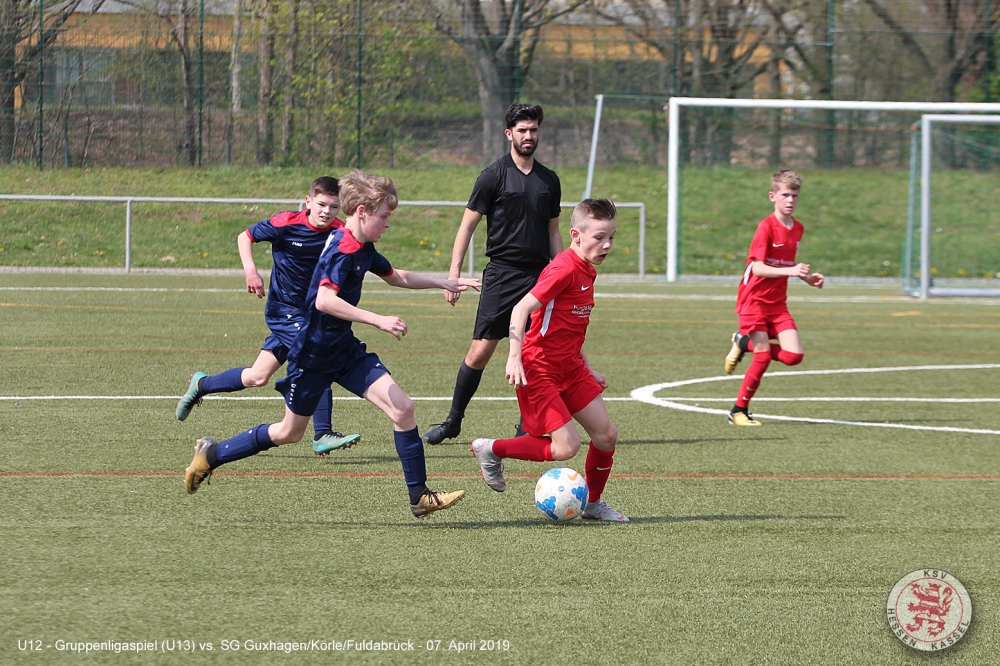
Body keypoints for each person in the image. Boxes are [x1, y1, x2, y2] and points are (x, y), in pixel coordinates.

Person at [184, 170, 480, 518]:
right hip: (313, 355)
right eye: (385, 216)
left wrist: (445, 282)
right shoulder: (342, 248)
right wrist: (377, 319)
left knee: (403, 408)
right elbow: (325, 300)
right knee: (289, 432)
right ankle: (212, 455)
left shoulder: (362, 245)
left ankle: (419, 496)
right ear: (363, 213)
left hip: (344, 349)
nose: (388, 223)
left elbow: (396, 276)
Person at [174, 176, 360, 456]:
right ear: (308, 201)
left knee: (257, 377)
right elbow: (245, 236)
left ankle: (202, 384)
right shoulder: (287, 223)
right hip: (283, 311)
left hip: (310, 315)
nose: (327, 211)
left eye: (334, 207)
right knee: (317, 355)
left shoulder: (340, 232)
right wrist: (251, 271)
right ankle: (323, 433)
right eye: (322, 204)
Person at [470, 199, 628, 522]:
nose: (607, 245)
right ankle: (491, 449)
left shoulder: (588, 271)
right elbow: (520, 309)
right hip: (539, 369)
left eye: (611, 237)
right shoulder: (563, 268)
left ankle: (593, 504)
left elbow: (569, 326)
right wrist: (514, 357)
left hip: (571, 368)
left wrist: (588, 366)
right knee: (566, 447)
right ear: (576, 235)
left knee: (606, 436)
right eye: (599, 237)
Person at [422, 103, 563, 445]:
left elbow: (554, 232)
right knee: (480, 351)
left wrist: (562, 273)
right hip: (501, 275)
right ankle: (453, 421)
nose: (528, 136)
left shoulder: (549, 180)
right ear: (509, 133)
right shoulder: (492, 176)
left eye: (534, 129)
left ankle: (528, 426)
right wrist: (454, 273)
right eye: (522, 130)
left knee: (533, 354)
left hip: (539, 277)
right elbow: (467, 226)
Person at [723, 170, 824, 426]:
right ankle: (738, 411)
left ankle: (742, 341)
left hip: (778, 304)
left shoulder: (797, 228)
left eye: (795, 196)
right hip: (754, 301)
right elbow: (757, 268)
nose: (790, 200)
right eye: (785, 195)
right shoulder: (766, 227)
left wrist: (807, 278)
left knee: (793, 356)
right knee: (763, 356)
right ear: (772, 196)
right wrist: (791, 271)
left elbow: (786, 264)